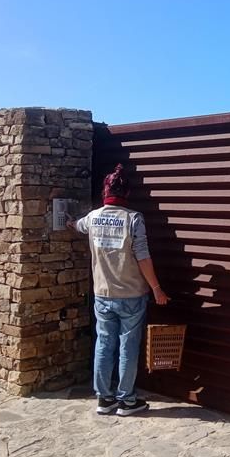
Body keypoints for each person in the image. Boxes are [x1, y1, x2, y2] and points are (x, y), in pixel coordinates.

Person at [69, 163, 169, 416]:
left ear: (105, 192)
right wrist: (156, 288)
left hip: (102, 295)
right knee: (128, 346)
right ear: (127, 194)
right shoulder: (133, 219)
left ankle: (104, 399)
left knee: (104, 344)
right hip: (131, 296)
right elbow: (143, 257)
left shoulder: (92, 218)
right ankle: (127, 400)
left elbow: (77, 225)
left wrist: (68, 222)